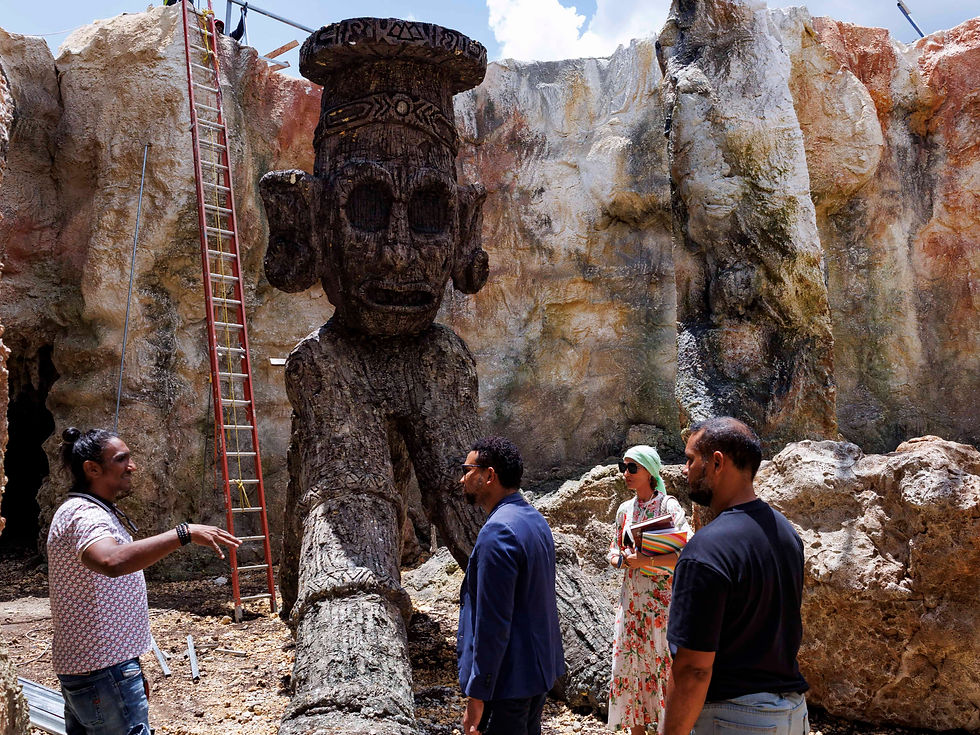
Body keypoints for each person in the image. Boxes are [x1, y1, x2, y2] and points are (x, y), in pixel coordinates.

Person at [47, 427, 241, 735]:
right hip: (104, 672)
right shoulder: (85, 515)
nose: (132, 466)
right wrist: (184, 533)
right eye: (122, 459)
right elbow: (111, 561)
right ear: (92, 469)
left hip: (99, 669)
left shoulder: (80, 509)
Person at [664, 417, 809, 735]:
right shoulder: (787, 534)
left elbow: (693, 669)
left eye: (690, 459)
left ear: (716, 462)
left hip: (734, 720)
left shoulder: (706, 550)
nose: (684, 469)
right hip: (794, 716)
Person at [457, 436, 565, 735]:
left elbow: (494, 622)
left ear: (489, 475)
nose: (462, 478)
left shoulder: (498, 532)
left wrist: (477, 693)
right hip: (536, 675)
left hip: (507, 683)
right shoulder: (534, 520)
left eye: (467, 469)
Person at [607, 445, 691, 734]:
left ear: (649, 471)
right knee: (632, 667)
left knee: (663, 667)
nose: (626, 474)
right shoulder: (624, 510)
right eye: (624, 468)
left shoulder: (669, 507)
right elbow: (614, 549)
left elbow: (684, 554)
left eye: (633, 468)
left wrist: (646, 560)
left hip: (662, 604)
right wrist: (621, 560)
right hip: (631, 603)